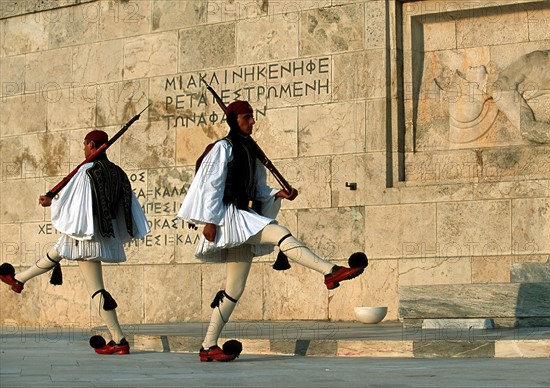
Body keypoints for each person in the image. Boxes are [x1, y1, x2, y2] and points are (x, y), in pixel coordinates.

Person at [177, 100, 368, 362]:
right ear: (234, 120)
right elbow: (210, 185)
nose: (252, 121)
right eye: (247, 117)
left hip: (243, 216)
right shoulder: (223, 148)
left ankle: (208, 346)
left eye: (253, 117)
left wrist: (278, 193)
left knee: (234, 289)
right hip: (228, 217)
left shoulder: (249, 150)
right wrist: (209, 220)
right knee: (279, 233)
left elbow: (257, 189)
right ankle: (329, 271)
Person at [0, 130, 150, 355]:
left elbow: (72, 202)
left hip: (87, 235)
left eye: (84, 145)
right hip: (103, 232)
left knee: (97, 290)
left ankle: (119, 340)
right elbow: (126, 207)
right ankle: (18, 279)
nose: (83, 149)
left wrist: (52, 201)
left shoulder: (87, 171)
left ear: (91, 145)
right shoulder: (118, 172)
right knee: (59, 250)